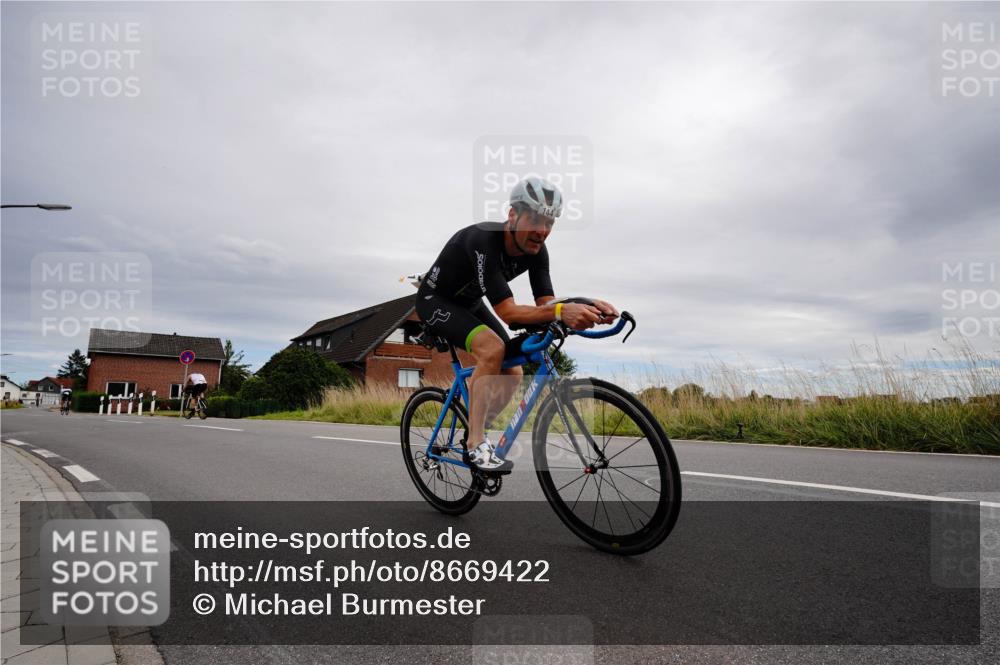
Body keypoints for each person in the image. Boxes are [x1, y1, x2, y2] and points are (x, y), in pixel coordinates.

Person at [415, 176, 619, 471]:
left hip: (470, 303)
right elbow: (509, 314)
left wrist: (586, 304)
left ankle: (476, 428)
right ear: (512, 215)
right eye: (535, 219)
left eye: (549, 222)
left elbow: (546, 306)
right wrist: (563, 311)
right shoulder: (484, 240)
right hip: (436, 300)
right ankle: (475, 444)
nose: (542, 231)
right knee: (492, 348)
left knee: (512, 370)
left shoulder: (537, 252)